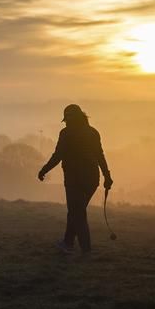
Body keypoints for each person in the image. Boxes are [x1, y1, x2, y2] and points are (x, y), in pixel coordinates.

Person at [38, 104, 113, 255]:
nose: (65, 123)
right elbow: (100, 156)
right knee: (76, 211)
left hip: (74, 180)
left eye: (67, 120)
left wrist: (44, 170)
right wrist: (107, 176)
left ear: (71, 119)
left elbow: (58, 156)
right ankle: (68, 242)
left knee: (77, 213)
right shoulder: (93, 133)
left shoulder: (66, 134)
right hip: (92, 179)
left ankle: (85, 250)